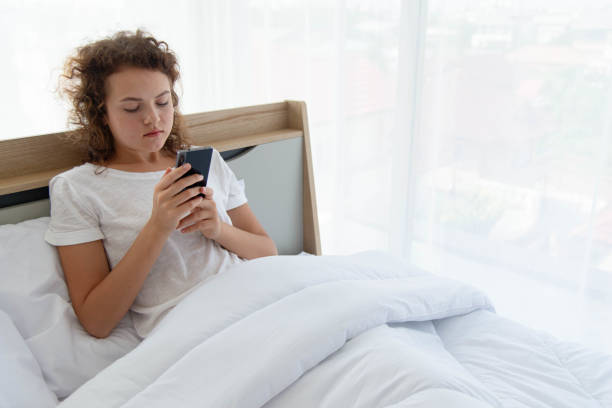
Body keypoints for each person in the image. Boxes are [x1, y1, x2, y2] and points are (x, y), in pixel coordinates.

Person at [44, 30, 277, 339]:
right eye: (132, 108)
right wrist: (158, 225)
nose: (153, 119)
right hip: (193, 329)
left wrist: (217, 229)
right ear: (101, 113)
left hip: (257, 298)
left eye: (162, 102)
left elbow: (268, 252)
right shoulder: (77, 189)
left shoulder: (206, 161)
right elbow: (97, 321)